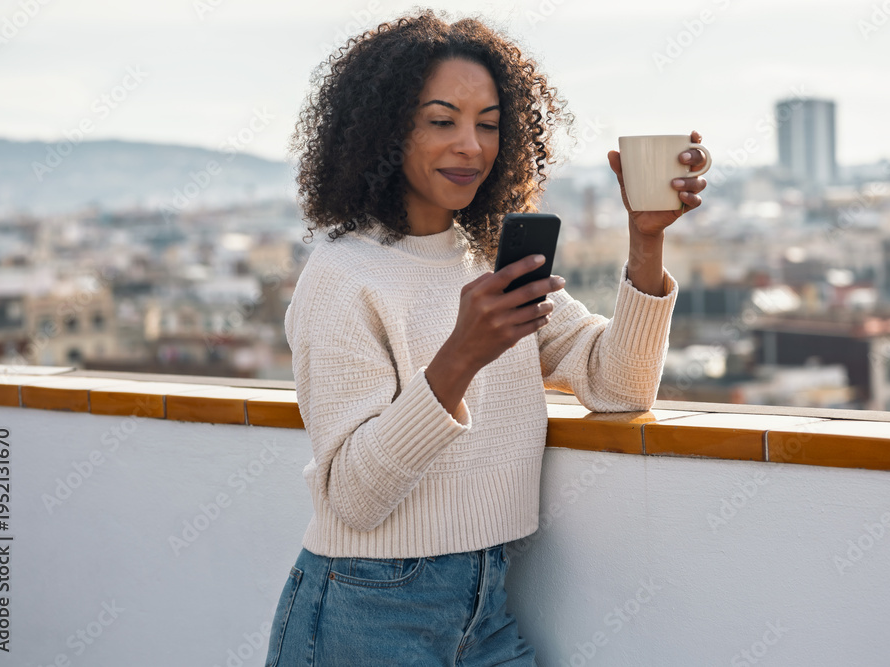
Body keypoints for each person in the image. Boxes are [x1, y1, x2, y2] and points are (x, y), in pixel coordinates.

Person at [264, 9, 706, 666]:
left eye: (489, 124)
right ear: (385, 129)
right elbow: (353, 497)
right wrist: (461, 356)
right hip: (366, 605)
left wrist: (647, 238)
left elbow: (620, 385)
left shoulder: (486, 257)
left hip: (485, 601)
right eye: (442, 120)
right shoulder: (342, 274)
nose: (471, 145)